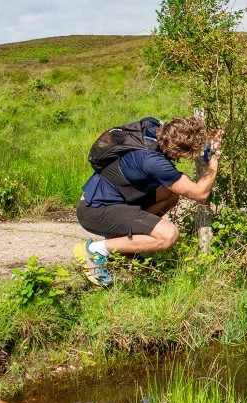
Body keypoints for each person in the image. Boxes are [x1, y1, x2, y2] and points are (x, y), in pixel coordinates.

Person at [73, 116, 223, 286]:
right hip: (95, 211)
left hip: (108, 202)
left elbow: (182, 139)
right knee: (168, 235)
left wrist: (206, 148)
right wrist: (215, 157)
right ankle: (95, 251)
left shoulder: (152, 128)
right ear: (182, 151)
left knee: (170, 192)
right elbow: (200, 193)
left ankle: (126, 247)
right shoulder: (153, 162)